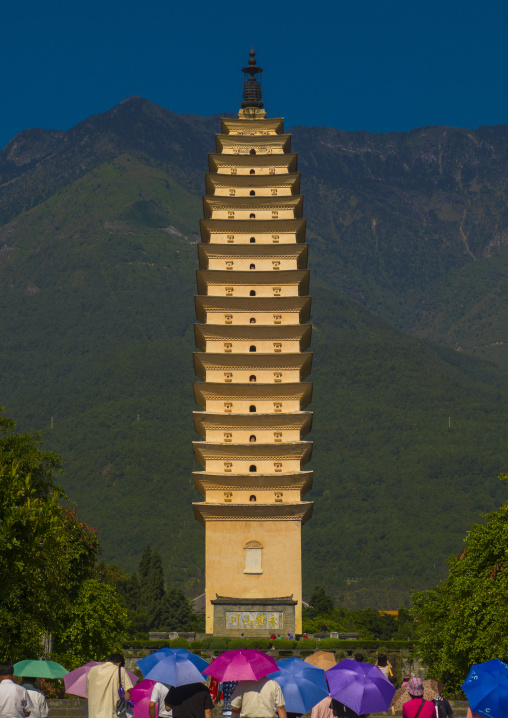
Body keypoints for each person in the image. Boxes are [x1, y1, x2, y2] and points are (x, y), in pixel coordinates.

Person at [87, 654, 133, 718]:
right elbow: (127, 694)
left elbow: (88, 694)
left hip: (93, 715)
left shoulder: (92, 670)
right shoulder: (120, 670)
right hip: (111, 714)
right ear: (119, 663)